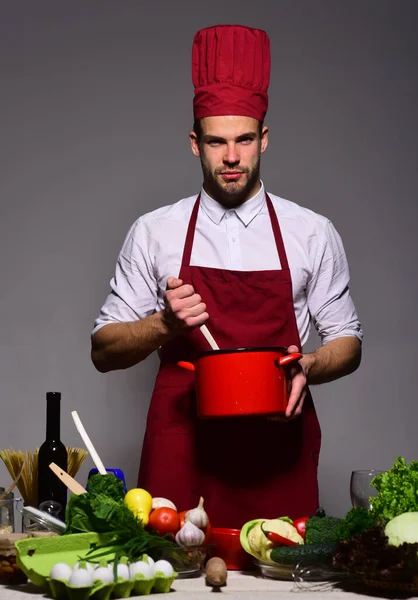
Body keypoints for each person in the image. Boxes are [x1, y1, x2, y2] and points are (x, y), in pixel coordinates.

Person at [91, 24, 362, 528]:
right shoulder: (155, 231)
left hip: (279, 453)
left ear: (265, 138)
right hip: (182, 457)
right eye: (217, 142)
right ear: (196, 144)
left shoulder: (311, 231)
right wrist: (164, 326)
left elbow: (348, 340)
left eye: (243, 140)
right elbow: (103, 350)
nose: (232, 157)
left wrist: (310, 366)